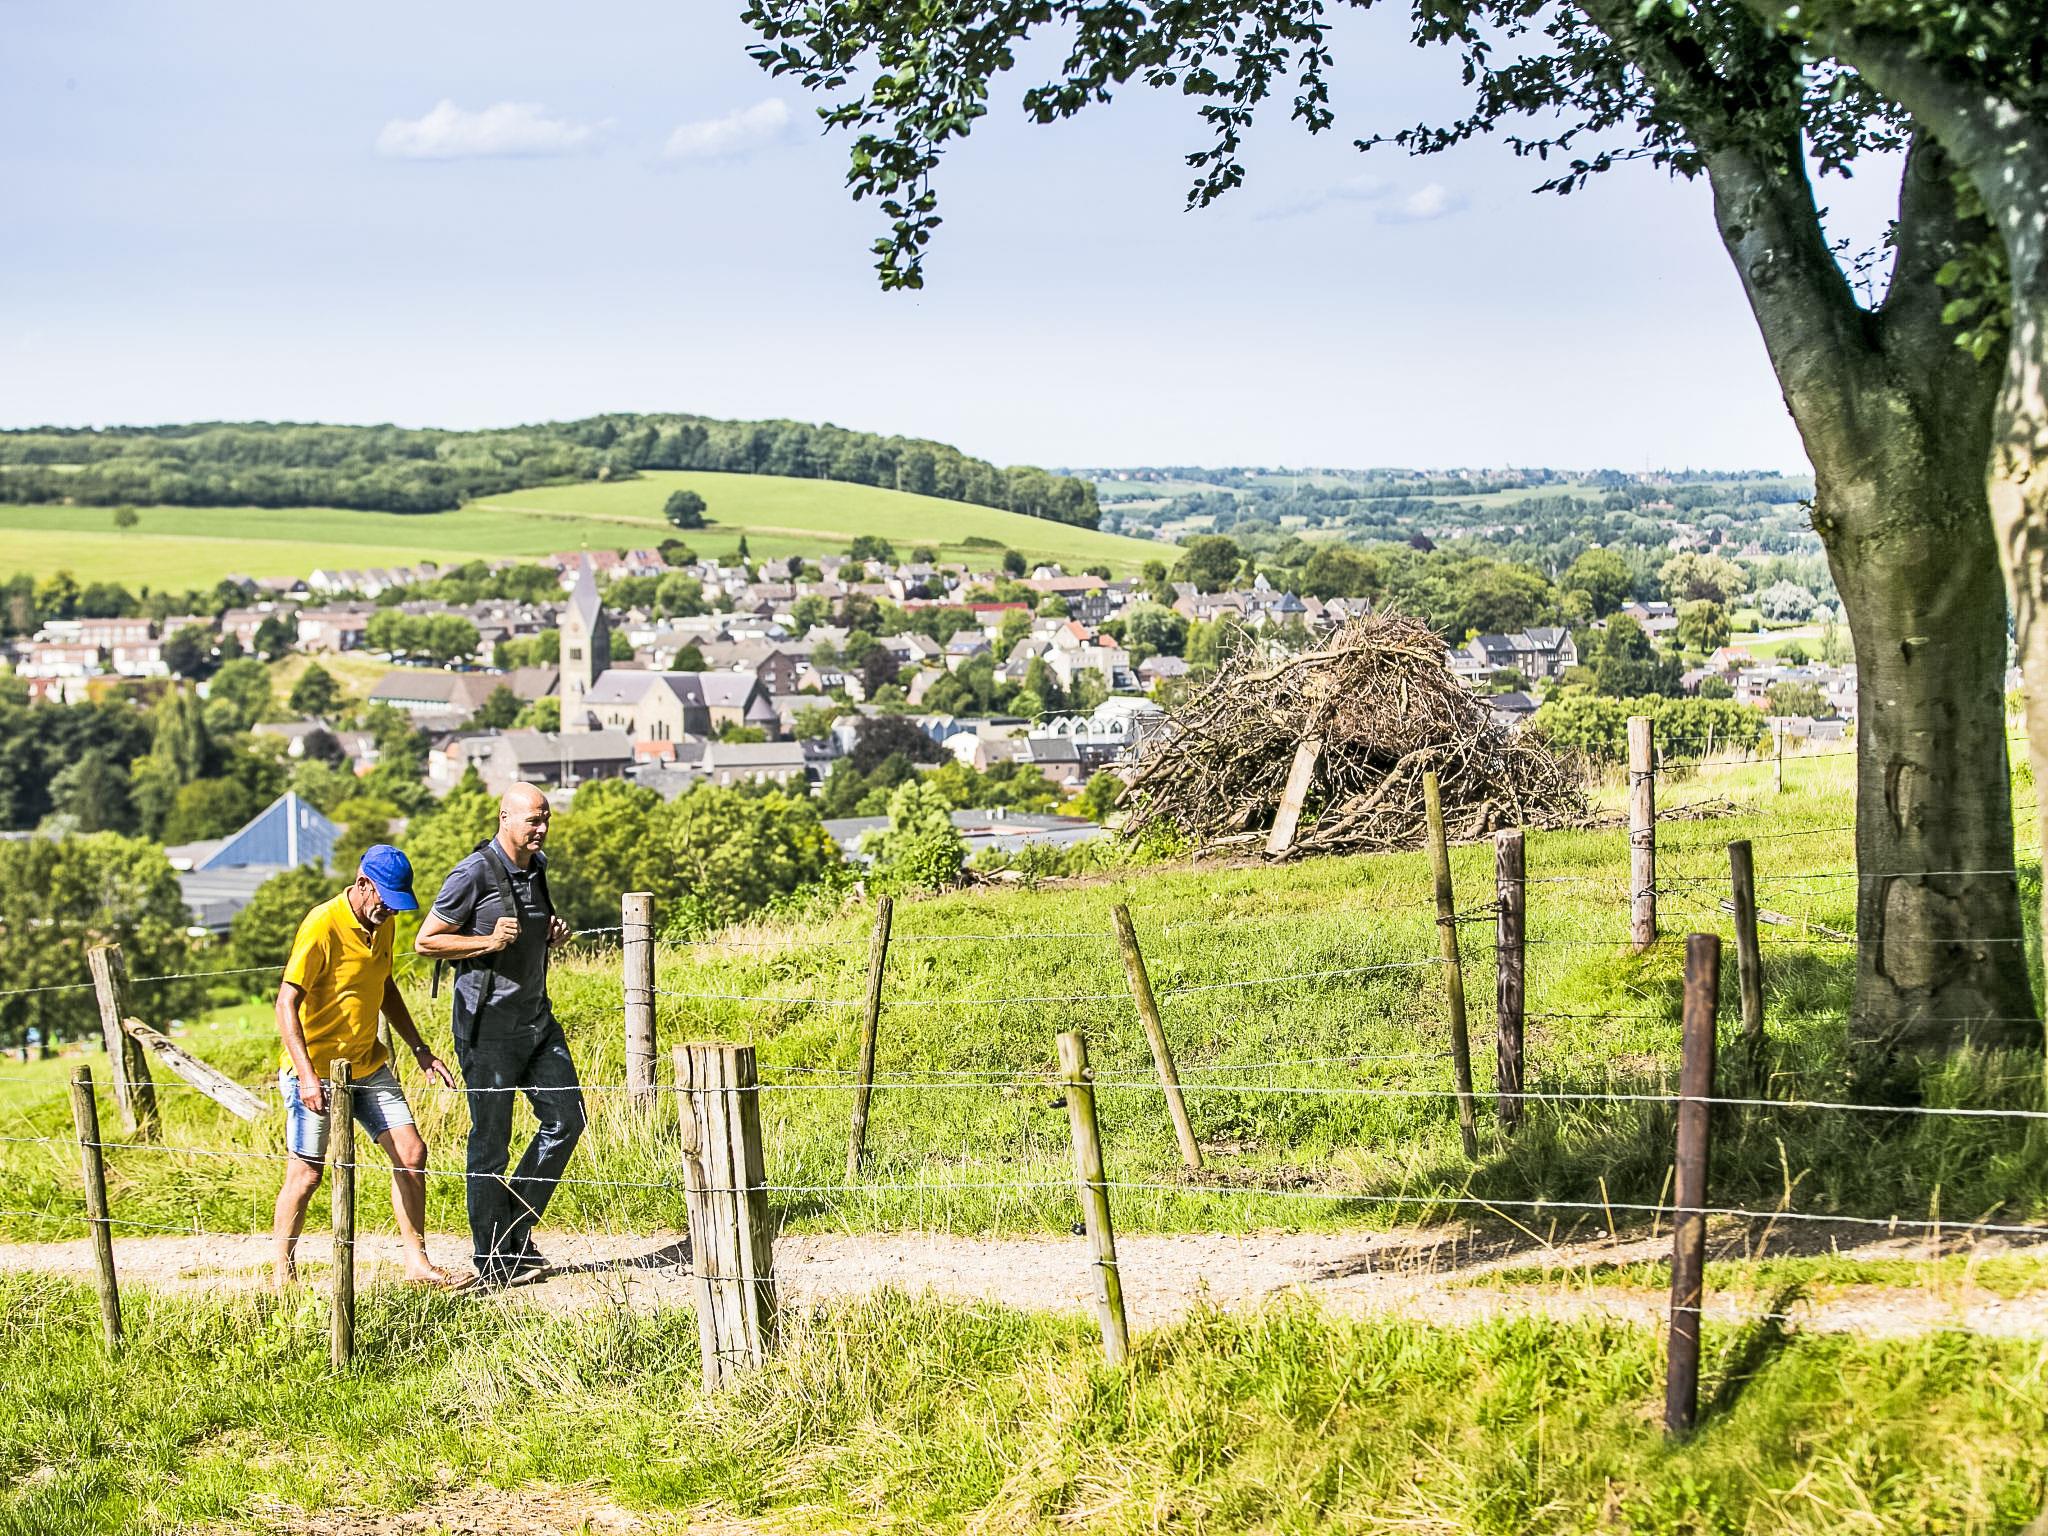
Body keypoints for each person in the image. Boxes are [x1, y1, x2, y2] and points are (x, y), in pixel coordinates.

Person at [417, 782, 585, 1287]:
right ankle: (492, 1258)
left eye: (546, 818)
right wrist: (486, 941)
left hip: (536, 1021)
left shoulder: (538, 867)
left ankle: (512, 1229)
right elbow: (427, 941)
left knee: (568, 1119)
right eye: (533, 819)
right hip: (486, 1029)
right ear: (504, 817)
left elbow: (528, 932)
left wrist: (550, 935)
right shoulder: (472, 873)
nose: (542, 828)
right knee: (491, 1145)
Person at [272, 845, 462, 1291]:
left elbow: (385, 985)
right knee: (307, 1174)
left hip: (368, 1064)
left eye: (397, 903)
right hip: (316, 1070)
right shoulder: (321, 924)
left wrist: (419, 1049)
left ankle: (417, 1264)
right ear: (363, 885)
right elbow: (285, 1003)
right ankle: (283, 1273)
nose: (390, 910)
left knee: (412, 1154)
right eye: (386, 900)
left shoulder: (384, 922)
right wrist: (307, 1076)